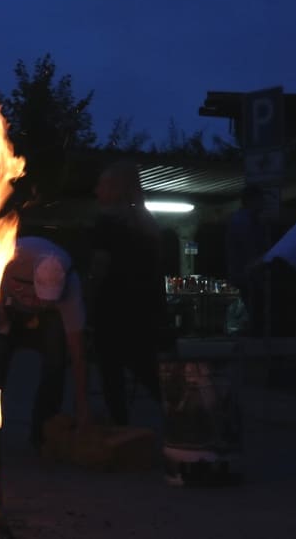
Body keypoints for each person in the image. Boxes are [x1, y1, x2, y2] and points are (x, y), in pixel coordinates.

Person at [88, 160, 164, 426]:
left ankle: (120, 429)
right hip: (143, 310)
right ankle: (187, 415)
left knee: (111, 372)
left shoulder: (106, 223)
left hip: (111, 309)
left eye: (102, 185)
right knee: (147, 370)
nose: (97, 190)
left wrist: (88, 301)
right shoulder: (147, 222)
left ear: (114, 188)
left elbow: (100, 268)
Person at [0, 236, 89, 449]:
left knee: (56, 362)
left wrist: (83, 405)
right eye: (41, 297)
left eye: (48, 300)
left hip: (49, 318)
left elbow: (77, 350)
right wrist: (1, 328)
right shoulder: (10, 258)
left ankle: (43, 432)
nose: (40, 303)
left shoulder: (70, 286)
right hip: (9, 307)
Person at [225, 185, 270, 328]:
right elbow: (251, 249)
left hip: (245, 273)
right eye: (261, 199)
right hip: (250, 274)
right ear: (253, 200)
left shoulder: (241, 219)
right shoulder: (245, 221)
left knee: (255, 310)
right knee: (257, 310)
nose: (264, 203)